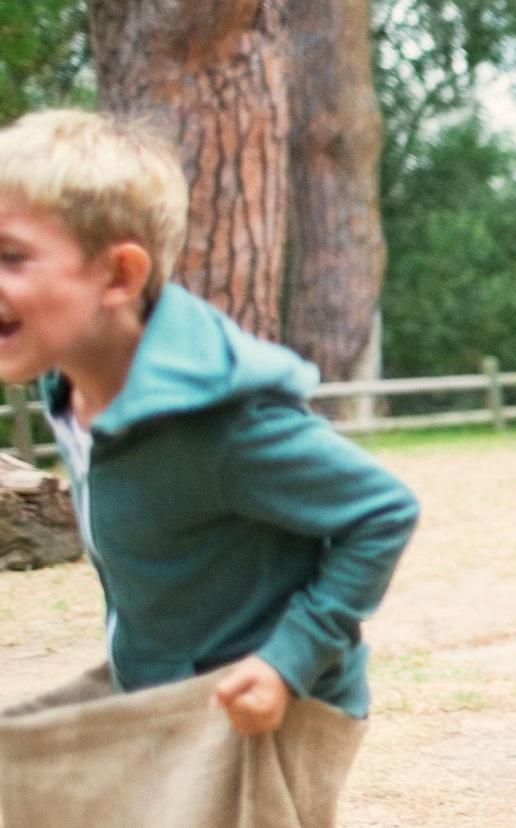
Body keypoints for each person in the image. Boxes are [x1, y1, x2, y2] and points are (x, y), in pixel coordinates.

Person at [0, 108, 419, 737]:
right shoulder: (65, 383)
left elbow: (382, 511)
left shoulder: (222, 422)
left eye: (11, 257)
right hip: (167, 692)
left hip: (264, 716)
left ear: (119, 275)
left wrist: (288, 661)